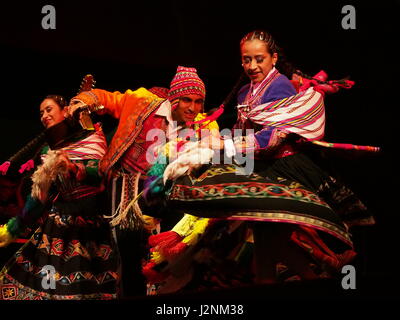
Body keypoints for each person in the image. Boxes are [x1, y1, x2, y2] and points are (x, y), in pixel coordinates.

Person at [142, 30, 376, 292]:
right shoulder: (245, 92)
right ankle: (314, 281)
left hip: (284, 168)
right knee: (267, 241)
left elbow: (274, 136)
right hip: (258, 166)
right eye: (246, 60)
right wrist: (217, 144)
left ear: (273, 58)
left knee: (268, 241)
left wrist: (225, 144)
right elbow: (247, 132)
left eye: (259, 59)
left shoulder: (281, 86)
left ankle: (310, 279)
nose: (252, 66)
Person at [67, 66, 218, 297]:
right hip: (127, 189)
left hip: (166, 192)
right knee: (129, 257)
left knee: (172, 255)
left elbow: (211, 148)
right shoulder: (142, 102)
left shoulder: (200, 125)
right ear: (174, 98)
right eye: (187, 100)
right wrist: (83, 100)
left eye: (199, 102)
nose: (193, 108)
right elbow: (108, 98)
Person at [0, 95, 119, 300]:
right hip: (57, 230)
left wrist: (73, 167)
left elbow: (100, 174)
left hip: (91, 229)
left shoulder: (92, 139)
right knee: (49, 289)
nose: (44, 116)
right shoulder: (49, 151)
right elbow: (39, 197)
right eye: (41, 113)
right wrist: (14, 227)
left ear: (65, 111)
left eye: (49, 110)